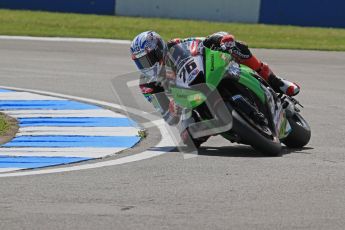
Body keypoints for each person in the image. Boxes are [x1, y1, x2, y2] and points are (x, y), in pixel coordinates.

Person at [130, 31, 300, 146]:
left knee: (227, 40)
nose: (147, 65)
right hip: (189, 102)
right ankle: (215, 127)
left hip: (207, 78)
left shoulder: (176, 46)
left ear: (159, 49)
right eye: (141, 62)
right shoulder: (148, 85)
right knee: (188, 139)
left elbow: (200, 43)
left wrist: (218, 41)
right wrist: (172, 108)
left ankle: (277, 81)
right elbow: (167, 116)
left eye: (148, 59)